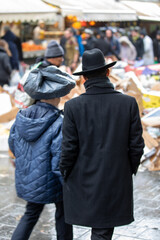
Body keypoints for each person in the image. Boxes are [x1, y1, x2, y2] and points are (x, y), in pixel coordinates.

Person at [60, 48, 144, 240]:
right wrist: (128, 169)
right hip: (116, 176)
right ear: (108, 73)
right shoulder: (128, 103)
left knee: (100, 228)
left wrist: (64, 171)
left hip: (84, 176)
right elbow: (137, 146)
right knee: (103, 229)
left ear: (84, 78)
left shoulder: (73, 107)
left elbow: (68, 148)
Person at [8, 41, 75, 240]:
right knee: (63, 216)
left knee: (30, 215)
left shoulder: (22, 116)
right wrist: (69, 184)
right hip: (53, 183)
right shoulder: (59, 122)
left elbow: (13, 145)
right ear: (56, 95)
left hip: (30, 179)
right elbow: (59, 161)